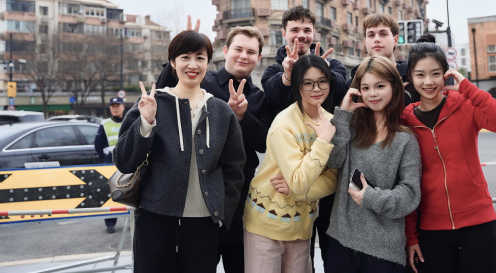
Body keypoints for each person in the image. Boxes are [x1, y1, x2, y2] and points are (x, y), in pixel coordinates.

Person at [113, 30, 245, 273]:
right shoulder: (152, 103)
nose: (193, 65)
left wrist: (222, 214)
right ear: (173, 62)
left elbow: (234, 168)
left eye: (200, 58)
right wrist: (146, 123)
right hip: (155, 220)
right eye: (185, 57)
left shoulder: (220, 111)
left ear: (208, 63)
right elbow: (124, 161)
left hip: (204, 224)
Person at [156, 25, 275, 272]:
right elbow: (164, 92)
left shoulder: (259, 97)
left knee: (239, 265)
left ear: (259, 57)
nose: (243, 56)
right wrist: (186, 48)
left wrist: (242, 117)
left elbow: (264, 141)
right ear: (226, 50)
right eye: (238, 49)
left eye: (251, 52)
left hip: (239, 198)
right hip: (196, 198)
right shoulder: (201, 79)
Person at [403, 34, 496, 273]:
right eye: (420, 75)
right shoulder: (405, 121)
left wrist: (468, 88)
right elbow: (406, 182)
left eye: (435, 73)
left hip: (479, 225)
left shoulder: (465, 106)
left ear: (446, 74)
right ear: (411, 78)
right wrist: (411, 237)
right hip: (431, 231)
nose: (428, 82)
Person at [326, 56, 421, 272]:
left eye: (380, 86)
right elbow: (333, 161)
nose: (373, 94)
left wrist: (371, 197)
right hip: (341, 241)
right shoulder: (350, 129)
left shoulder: (405, 140)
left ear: (394, 87)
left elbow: (410, 194)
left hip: (383, 250)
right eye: (366, 88)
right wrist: (343, 114)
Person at [244, 54, 338, 273]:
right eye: (308, 83)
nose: (316, 88)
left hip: (302, 226)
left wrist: (299, 191)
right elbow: (298, 181)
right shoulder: (284, 124)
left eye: (322, 81)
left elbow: (334, 179)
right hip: (266, 223)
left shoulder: (331, 122)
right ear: (297, 86)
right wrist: (323, 142)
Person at [261, 6, 347, 115]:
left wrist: (324, 71)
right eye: (294, 30)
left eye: (307, 30)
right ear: (284, 33)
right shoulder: (272, 71)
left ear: (313, 33)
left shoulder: (333, 65)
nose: (301, 35)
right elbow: (273, 98)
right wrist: (288, 77)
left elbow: (340, 91)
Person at [94, 96, 126, 233]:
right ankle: (110, 223)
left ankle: (134, 221)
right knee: (111, 193)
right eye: (113, 106)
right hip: (110, 163)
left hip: (128, 161)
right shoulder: (104, 124)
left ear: (123, 107)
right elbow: (98, 145)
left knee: (132, 190)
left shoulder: (130, 120)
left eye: (118, 105)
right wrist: (106, 159)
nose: (115, 108)